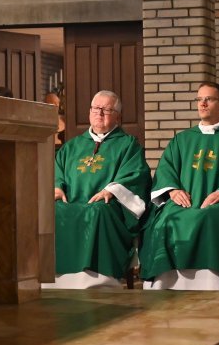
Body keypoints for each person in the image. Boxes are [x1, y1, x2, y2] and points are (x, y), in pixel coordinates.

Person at [138, 82, 219, 290]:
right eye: (199, 99)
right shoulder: (182, 139)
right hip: (183, 201)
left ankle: (217, 286)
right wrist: (172, 189)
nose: (203, 103)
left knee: (213, 219)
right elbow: (166, 169)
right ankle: (167, 285)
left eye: (209, 99)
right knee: (166, 220)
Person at [46, 90, 151, 288]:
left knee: (98, 211)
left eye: (106, 109)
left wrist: (113, 190)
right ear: (89, 112)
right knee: (54, 210)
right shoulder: (72, 146)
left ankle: (96, 279)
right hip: (72, 202)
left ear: (118, 116)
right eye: (95, 108)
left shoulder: (128, 145)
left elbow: (136, 175)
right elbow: (56, 171)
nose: (99, 113)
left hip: (108, 206)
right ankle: (56, 280)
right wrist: (57, 187)